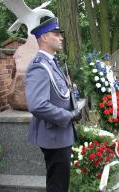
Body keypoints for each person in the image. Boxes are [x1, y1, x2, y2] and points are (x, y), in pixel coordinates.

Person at [25, 17, 82, 192]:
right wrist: (69, 115)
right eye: (56, 34)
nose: (61, 37)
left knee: (60, 181)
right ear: (43, 37)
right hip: (54, 136)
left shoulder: (51, 62)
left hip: (59, 134)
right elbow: (37, 105)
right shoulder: (39, 66)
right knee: (58, 185)